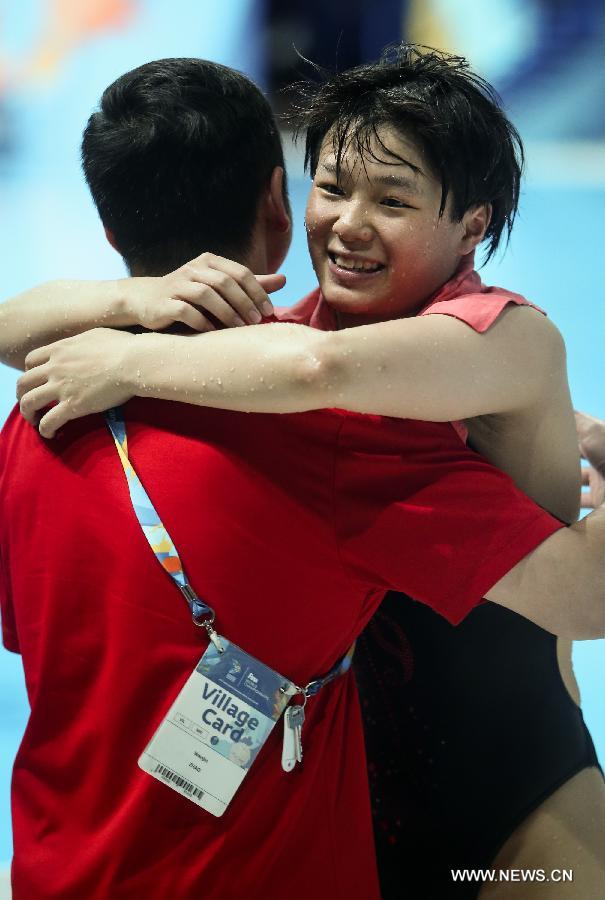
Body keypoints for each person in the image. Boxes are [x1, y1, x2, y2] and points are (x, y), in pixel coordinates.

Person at [3, 49, 605, 898]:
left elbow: (318, 376)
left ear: (472, 226)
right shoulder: (286, 345)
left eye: (392, 200)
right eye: (332, 187)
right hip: (347, 787)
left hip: (510, 785)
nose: (349, 224)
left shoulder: (499, 338)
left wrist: (128, 364)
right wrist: (126, 306)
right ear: (287, 197)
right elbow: (14, 329)